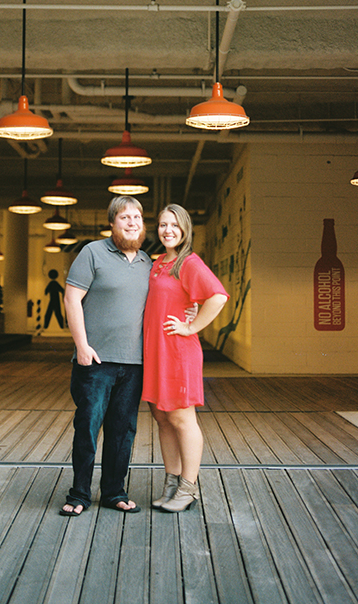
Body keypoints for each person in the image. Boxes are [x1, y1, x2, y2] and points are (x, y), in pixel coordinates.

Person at [60, 195, 152, 517]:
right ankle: (79, 493)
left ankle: (114, 491)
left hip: (134, 363)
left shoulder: (147, 264)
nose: (131, 223)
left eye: (137, 218)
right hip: (95, 361)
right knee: (87, 427)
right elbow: (72, 300)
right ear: (112, 223)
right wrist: (82, 346)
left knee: (123, 430)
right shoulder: (92, 253)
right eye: (124, 217)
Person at [142, 203, 229, 513]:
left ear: (185, 230)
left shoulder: (188, 262)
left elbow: (217, 296)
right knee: (162, 418)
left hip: (178, 352)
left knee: (181, 418)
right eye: (163, 225)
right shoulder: (158, 263)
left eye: (174, 225)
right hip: (155, 352)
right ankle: (172, 482)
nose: (168, 230)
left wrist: (192, 325)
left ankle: (188, 488)